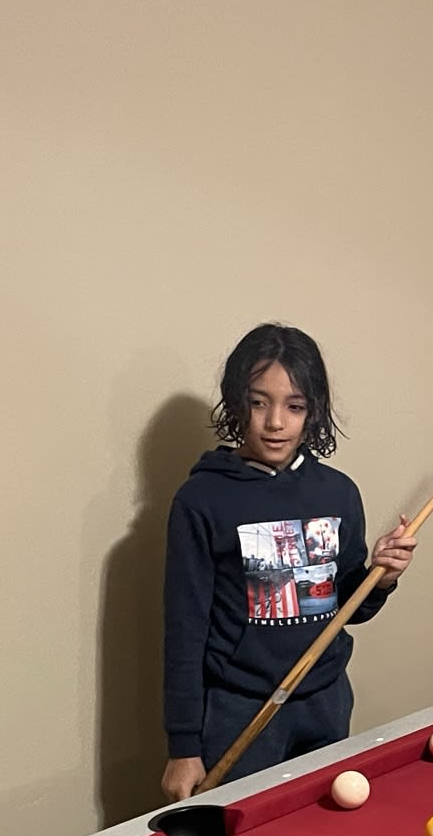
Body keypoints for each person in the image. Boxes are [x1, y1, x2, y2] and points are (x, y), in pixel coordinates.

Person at [161, 324, 415, 800]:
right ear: (237, 403)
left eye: (294, 406)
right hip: (239, 710)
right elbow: (184, 630)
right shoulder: (201, 499)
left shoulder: (338, 492)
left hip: (325, 700)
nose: (275, 422)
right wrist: (183, 746)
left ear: (312, 410)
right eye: (259, 403)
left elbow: (348, 608)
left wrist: (381, 577)